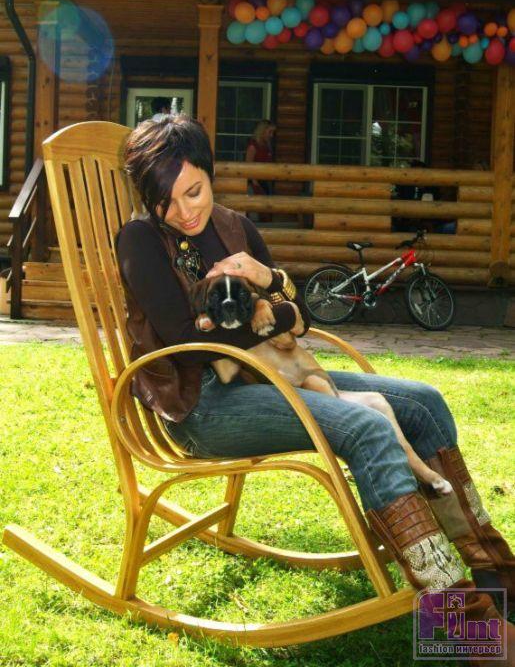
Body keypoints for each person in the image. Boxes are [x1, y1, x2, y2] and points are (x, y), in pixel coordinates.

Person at [116, 115, 514, 653]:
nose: (185, 212)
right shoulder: (141, 240)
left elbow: (299, 310)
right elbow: (191, 341)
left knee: (425, 403)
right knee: (366, 426)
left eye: (195, 191)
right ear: (148, 198)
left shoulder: (235, 227)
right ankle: (469, 625)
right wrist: (277, 311)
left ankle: (494, 570)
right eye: (167, 201)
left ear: (211, 175)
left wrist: (268, 282)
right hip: (203, 404)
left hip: (267, 375)